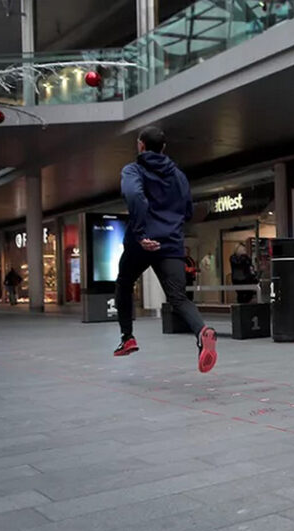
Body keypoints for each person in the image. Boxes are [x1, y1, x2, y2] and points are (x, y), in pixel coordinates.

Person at [114, 126, 217, 373]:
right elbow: (189, 210)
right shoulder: (179, 176)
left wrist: (140, 233)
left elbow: (134, 196)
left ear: (140, 145)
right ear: (164, 148)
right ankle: (202, 331)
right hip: (170, 243)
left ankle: (127, 337)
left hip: (142, 243)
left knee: (124, 283)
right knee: (178, 297)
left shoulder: (133, 170)